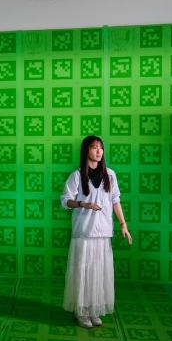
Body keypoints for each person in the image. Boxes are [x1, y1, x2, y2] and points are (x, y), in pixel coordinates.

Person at [60, 135, 132, 328]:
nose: (99, 151)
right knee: (83, 271)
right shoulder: (77, 175)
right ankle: (81, 311)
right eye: (94, 147)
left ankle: (94, 310)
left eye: (101, 147)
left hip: (103, 231)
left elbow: (115, 200)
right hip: (84, 232)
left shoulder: (110, 175)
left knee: (99, 272)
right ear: (86, 150)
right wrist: (82, 203)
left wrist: (123, 224)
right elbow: (65, 200)